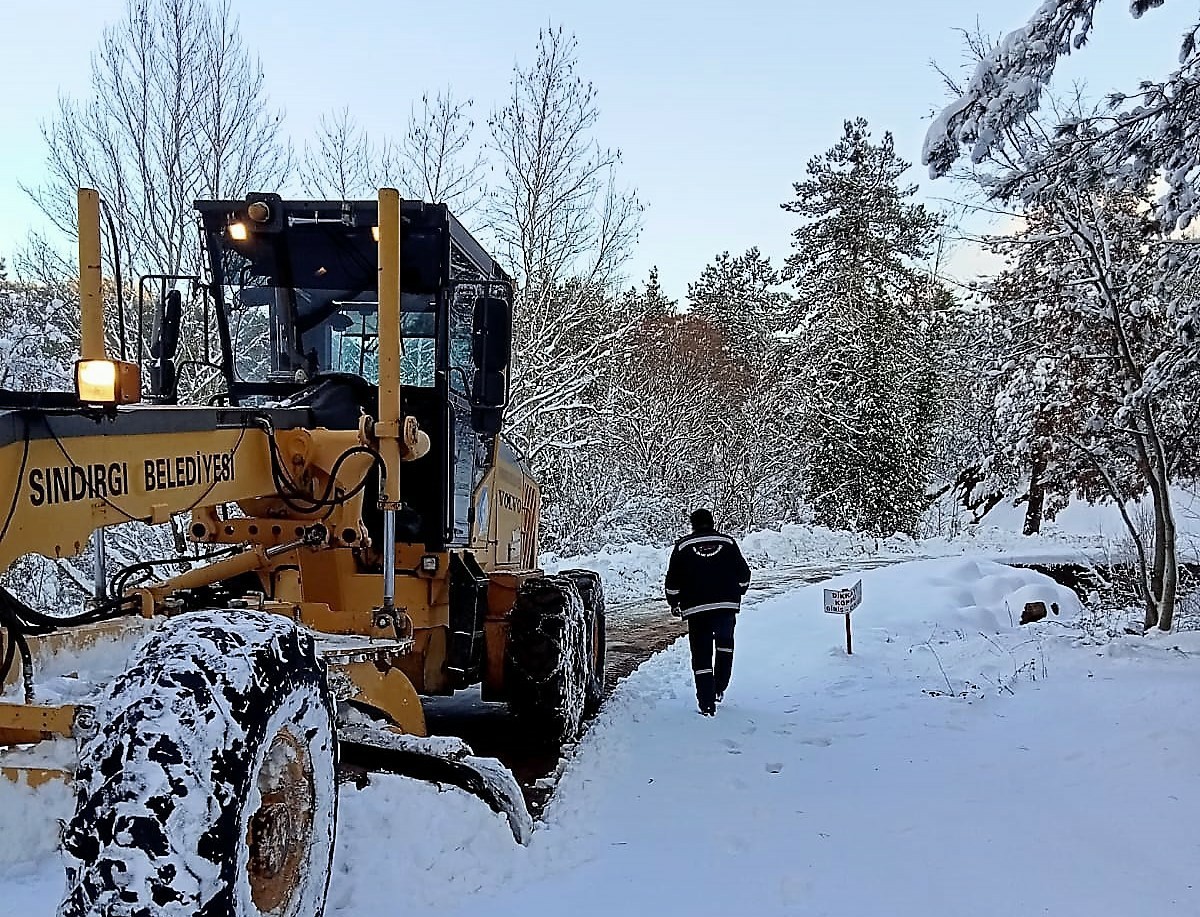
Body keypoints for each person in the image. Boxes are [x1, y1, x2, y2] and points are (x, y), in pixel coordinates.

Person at [664, 509, 751, 716]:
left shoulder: (683, 546)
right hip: (726, 607)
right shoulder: (728, 543)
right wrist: (737, 591)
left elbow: (672, 580)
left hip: (697, 610)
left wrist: (674, 602)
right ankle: (719, 687)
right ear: (712, 523)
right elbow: (744, 575)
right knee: (725, 647)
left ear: (692, 525)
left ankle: (706, 703)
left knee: (701, 655)